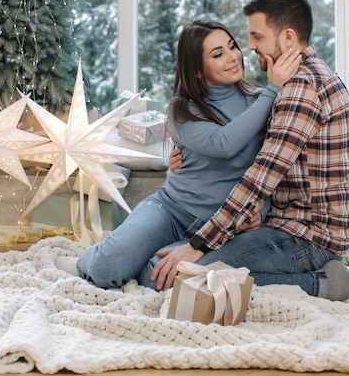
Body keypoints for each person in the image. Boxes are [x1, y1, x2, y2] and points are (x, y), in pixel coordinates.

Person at [150, 0, 349, 301]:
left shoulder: (301, 90)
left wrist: (199, 245)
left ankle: (323, 283)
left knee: (178, 277)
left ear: (287, 38)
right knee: (171, 266)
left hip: (306, 238)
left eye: (257, 36)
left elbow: (260, 177)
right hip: (284, 225)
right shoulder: (309, 75)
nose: (249, 47)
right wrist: (189, 157)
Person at [56, 19, 300, 287]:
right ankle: (86, 263)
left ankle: (137, 260)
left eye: (232, 47)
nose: (233, 57)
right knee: (106, 268)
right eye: (218, 54)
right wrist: (274, 88)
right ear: (197, 70)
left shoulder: (260, 100)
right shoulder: (182, 110)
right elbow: (224, 144)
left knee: (160, 278)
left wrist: (260, 211)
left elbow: (273, 164)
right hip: (171, 210)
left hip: (220, 227)